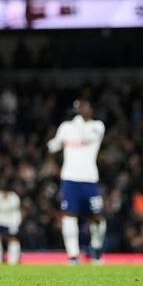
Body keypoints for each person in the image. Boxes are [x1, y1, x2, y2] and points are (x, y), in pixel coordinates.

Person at [47, 98, 107, 265]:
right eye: (80, 107)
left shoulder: (97, 126)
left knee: (96, 216)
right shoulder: (66, 127)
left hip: (89, 178)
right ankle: (73, 255)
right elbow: (56, 144)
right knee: (68, 216)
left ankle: (96, 247)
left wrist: (77, 121)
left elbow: (86, 137)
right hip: (70, 178)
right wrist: (49, 145)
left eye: (86, 106)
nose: (84, 110)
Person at [0, 187, 22, 265]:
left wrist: (15, 225)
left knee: (13, 240)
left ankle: (13, 261)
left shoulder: (14, 198)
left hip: (11, 221)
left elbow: (16, 212)